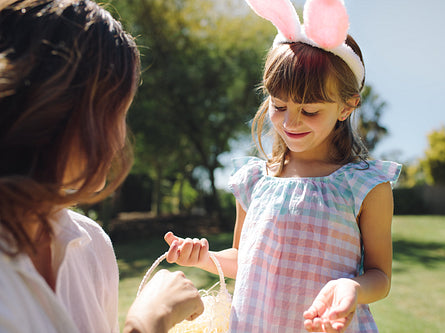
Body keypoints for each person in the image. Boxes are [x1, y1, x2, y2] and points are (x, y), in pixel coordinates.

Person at [164, 0, 401, 332]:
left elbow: (381, 276)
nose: (291, 122)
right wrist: (202, 257)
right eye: (278, 105)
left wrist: (354, 288)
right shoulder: (253, 181)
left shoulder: (363, 185)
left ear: (347, 107)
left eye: (310, 111)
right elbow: (242, 258)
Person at [0, 0, 204, 332]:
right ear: (54, 106)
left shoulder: (93, 244)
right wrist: (149, 321)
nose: (121, 138)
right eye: (115, 112)